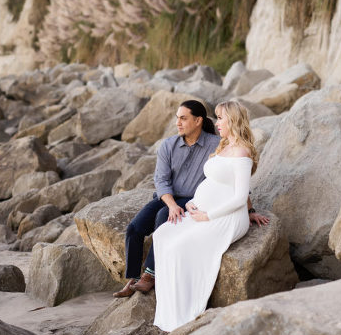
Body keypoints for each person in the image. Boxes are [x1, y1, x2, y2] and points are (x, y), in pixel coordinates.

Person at [113, 99, 268, 298]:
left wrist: (250, 210)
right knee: (134, 228)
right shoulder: (168, 145)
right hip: (167, 196)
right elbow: (160, 180)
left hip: (192, 199)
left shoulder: (216, 143)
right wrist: (170, 204)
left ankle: (150, 275)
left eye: (183, 118)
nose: (178, 123)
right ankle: (132, 279)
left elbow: (233, 178)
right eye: (177, 118)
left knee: (163, 218)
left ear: (198, 121)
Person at [152, 100, 259, 332]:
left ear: (232, 120)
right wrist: (193, 203)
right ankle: (169, 308)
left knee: (179, 248)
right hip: (203, 210)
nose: (217, 122)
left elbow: (240, 197)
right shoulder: (224, 146)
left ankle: (185, 311)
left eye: (221, 118)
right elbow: (212, 182)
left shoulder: (242, 151)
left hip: (227, 217)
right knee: (163, 236)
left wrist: (209, 215)